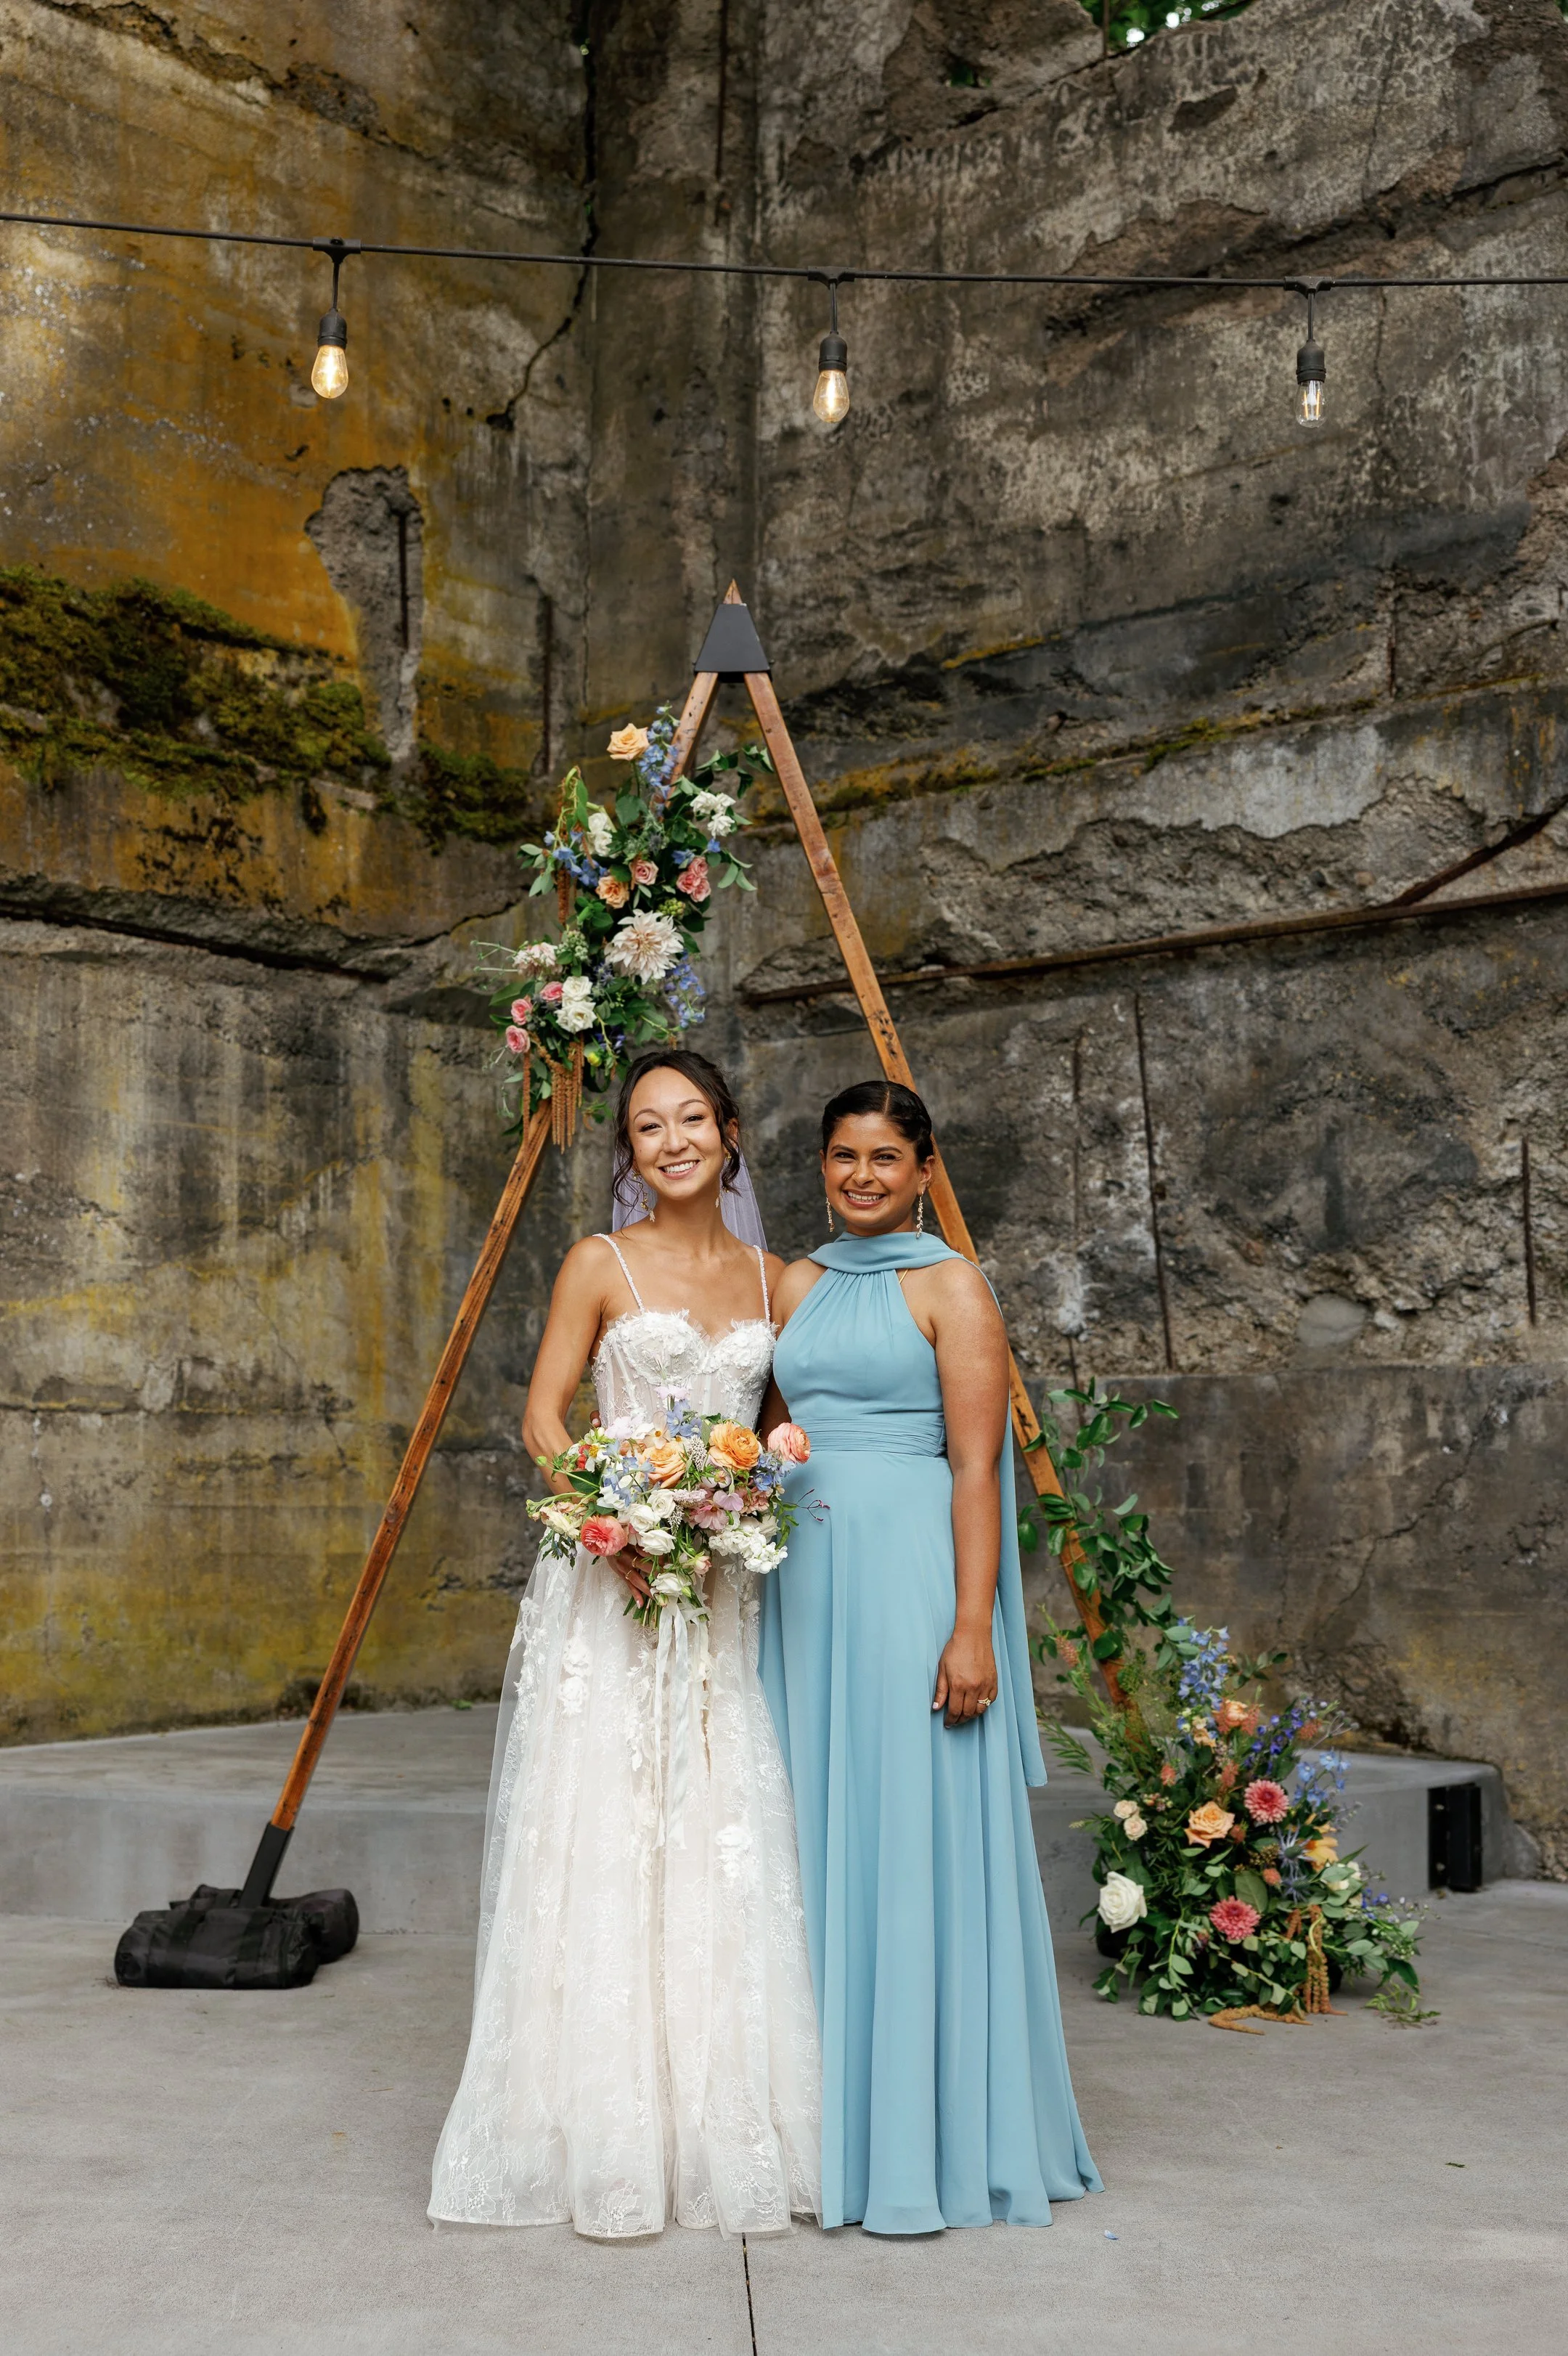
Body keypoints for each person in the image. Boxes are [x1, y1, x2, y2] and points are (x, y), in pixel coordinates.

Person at [430, 1050, 820, 2240]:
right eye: (647, 1127)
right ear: (629, 1154)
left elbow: (792, 1422)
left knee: (718, 1823)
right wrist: (615, 1511)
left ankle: (719, 2117)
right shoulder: (597, 1264)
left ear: (732, 1132)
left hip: (720, 1584)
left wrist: (750, 1488)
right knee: (600, 1819)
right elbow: (545, 1416)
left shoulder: (776, 1280)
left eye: (691, 1118)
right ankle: (590, 2124)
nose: (671, 1141)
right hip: (610, 1575)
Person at [758, 1079, 1101, 2235]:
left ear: (923, 1169)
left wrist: (971, 1626)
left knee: (907, 1836)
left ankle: (920, 2137)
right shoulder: (795, 1282)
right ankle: (813, 2128)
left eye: (885, 1157)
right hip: (802, 1591)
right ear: (822, 1165)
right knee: (807, 1836)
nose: (862, 1175)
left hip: (911, 1591)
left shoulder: (953, 1287)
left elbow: (974, 1469)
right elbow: (767, 1435)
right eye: (843, 1156)